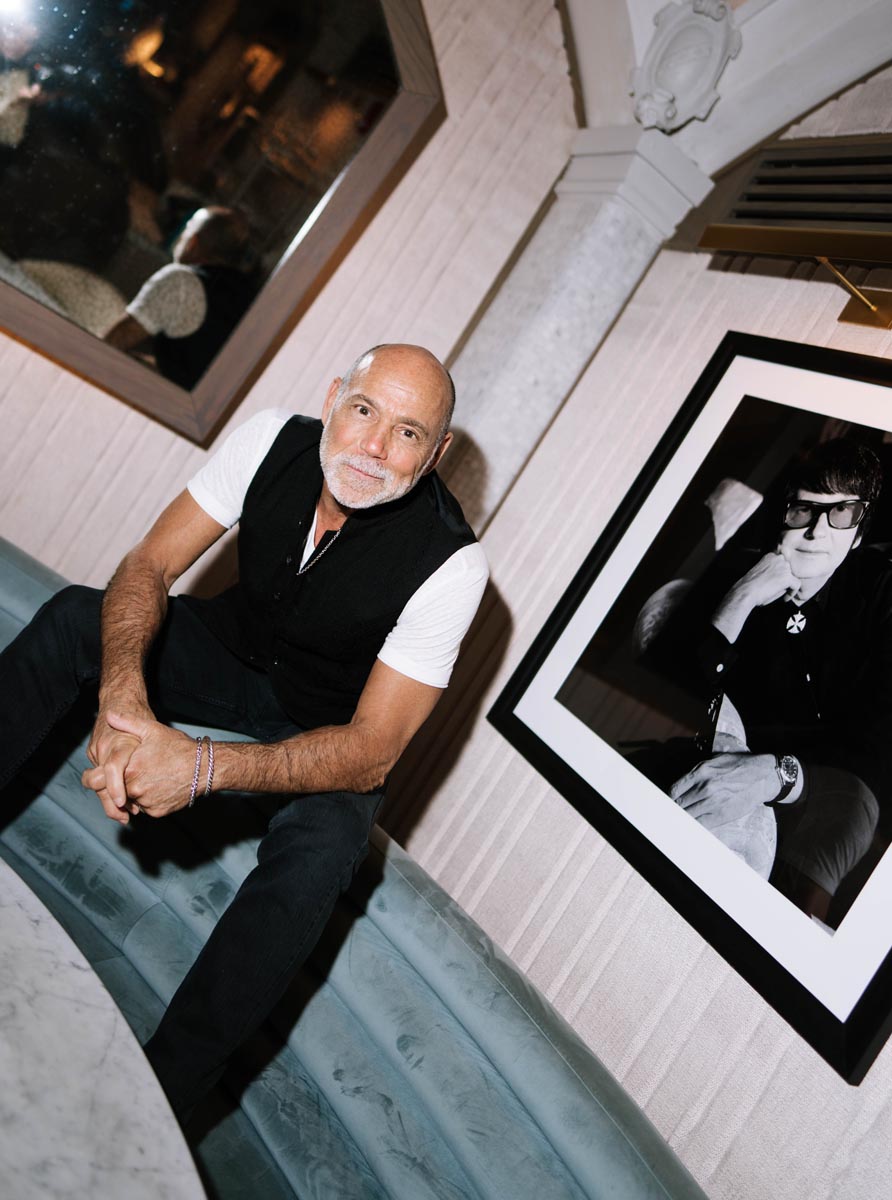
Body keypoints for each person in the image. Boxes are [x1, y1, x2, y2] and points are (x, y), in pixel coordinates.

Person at [0, 343, 489, 1119]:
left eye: (407, 433)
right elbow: (150, 566)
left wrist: (198, 767)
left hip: (328, 725)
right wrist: (124, 700)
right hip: (226, 652)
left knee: (329, 841)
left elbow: (373, 750)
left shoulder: (453, 566)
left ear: (436, 454)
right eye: (364, 411)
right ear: (332, 400)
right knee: (74, 619)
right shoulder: (271, 439)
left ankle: (159, 1103)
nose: (372, 447)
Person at [642, 439, 890, 922]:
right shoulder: (738, 575)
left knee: (848, 811)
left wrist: (780, 774)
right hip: (733, 761)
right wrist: (742, 599)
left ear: (859, 532)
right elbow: (679, 697)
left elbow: (876, 748)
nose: (816, 531)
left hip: (830, 783)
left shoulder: (880, 594)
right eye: (803, 510)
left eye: (841, 514)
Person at [104, 206, 258, 388]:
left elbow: (111, 344)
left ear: (193, 242)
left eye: (186, 229)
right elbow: (193, 368)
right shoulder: (249, 297)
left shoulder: (182, 281)